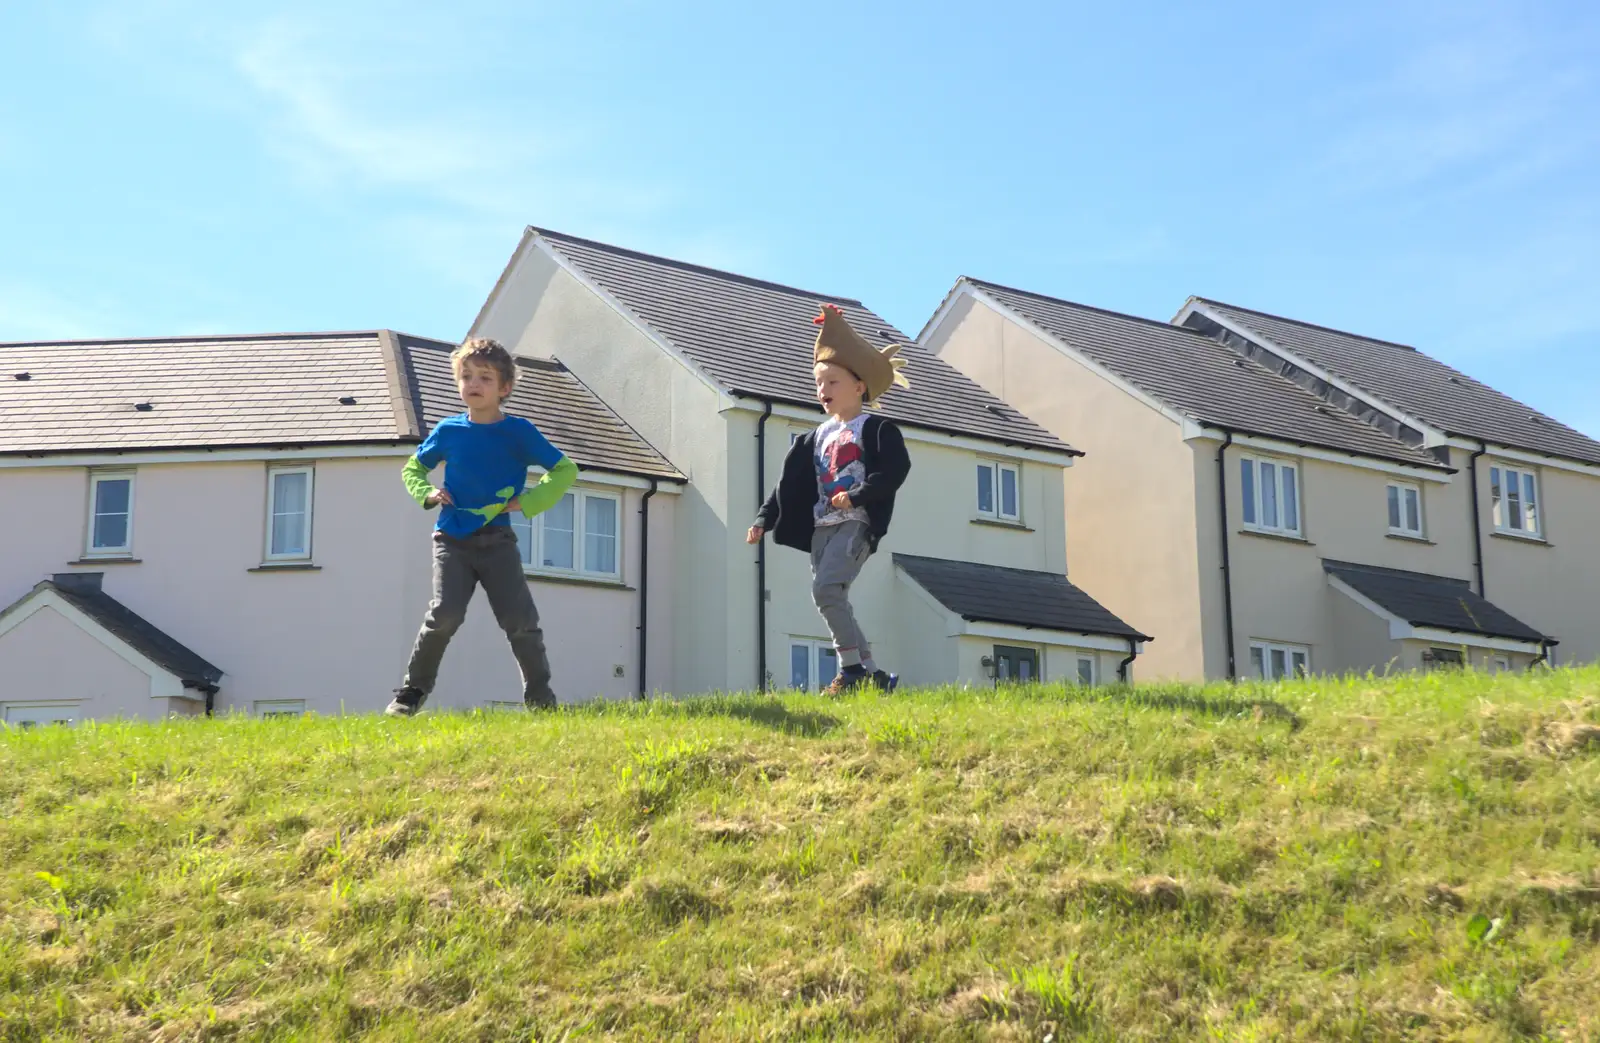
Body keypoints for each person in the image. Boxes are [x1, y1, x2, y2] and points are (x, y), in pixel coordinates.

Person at [386, 338, 578, 716]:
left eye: (485, 378)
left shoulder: (519, 432)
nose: (473, 384)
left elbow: (564, 469)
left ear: (504, 388)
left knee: (520, 621)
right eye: (467, 376)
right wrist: (427, 493)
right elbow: (413, 468)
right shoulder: (448, 431)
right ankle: (411, 693)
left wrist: (531, 500)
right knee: (444, 615)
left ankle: (541, 702)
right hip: (451, 539)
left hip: (498, 541)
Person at [748, 304, 912, 694]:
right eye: (819, 383)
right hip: (821, 528)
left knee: (824, 591)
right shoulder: (813, 437)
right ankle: (873, 675)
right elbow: (786, 485)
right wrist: (762, 518)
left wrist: (855, 496)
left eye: (833, 382)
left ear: (859, 386)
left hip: (857, 523)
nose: (824, 391)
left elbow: (893, 471)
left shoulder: (876, 429)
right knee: (833, 595)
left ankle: (851, 670)